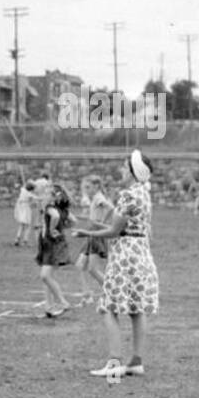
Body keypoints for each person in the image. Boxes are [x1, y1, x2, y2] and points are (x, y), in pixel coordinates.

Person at [74, 150, 160, 378]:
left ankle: (115, 362)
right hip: (141, 253)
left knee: (108, 308)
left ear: (133, 172)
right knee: (136, 308)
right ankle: (136, 361)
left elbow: (114, 230)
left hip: (125, 255)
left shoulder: (128, 195)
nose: (121, 170)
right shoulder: (144, 193)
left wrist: (86, 232)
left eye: (124, 167)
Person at [36, 184, 74, 318]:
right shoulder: (60, 208)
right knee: (48, 277)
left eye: (46, 194)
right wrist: (62, 227)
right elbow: (72, 221)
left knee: (45, 276)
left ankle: (63, 302)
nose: (42, 197)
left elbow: (56, 217)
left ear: (52, 197)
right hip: (49, 244)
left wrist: (52, 229)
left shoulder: (50, 208)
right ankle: (49, 307)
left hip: (52, 244)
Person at [75, 174, 113, 305]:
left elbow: (110, 208)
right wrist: (81, 218)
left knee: (92, 269)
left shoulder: (98, 197)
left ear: (96, 186)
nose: (86, 190)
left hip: (96, 234)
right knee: (80, 265)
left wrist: (102, 221)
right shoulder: (95, 198)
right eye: (85, 187)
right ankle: (87, 296)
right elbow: (93, 217)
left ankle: (111, 292)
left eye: (88, 187)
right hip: (91, 233)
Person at [13, 177, 34, 246]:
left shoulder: (23, 190)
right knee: (27, 225)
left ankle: (17, 239)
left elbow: (22, 187)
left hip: (21, 208)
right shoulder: (29, 194)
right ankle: (25, 240)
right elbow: (33, 201)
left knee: (21, 225)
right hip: (26, 209)